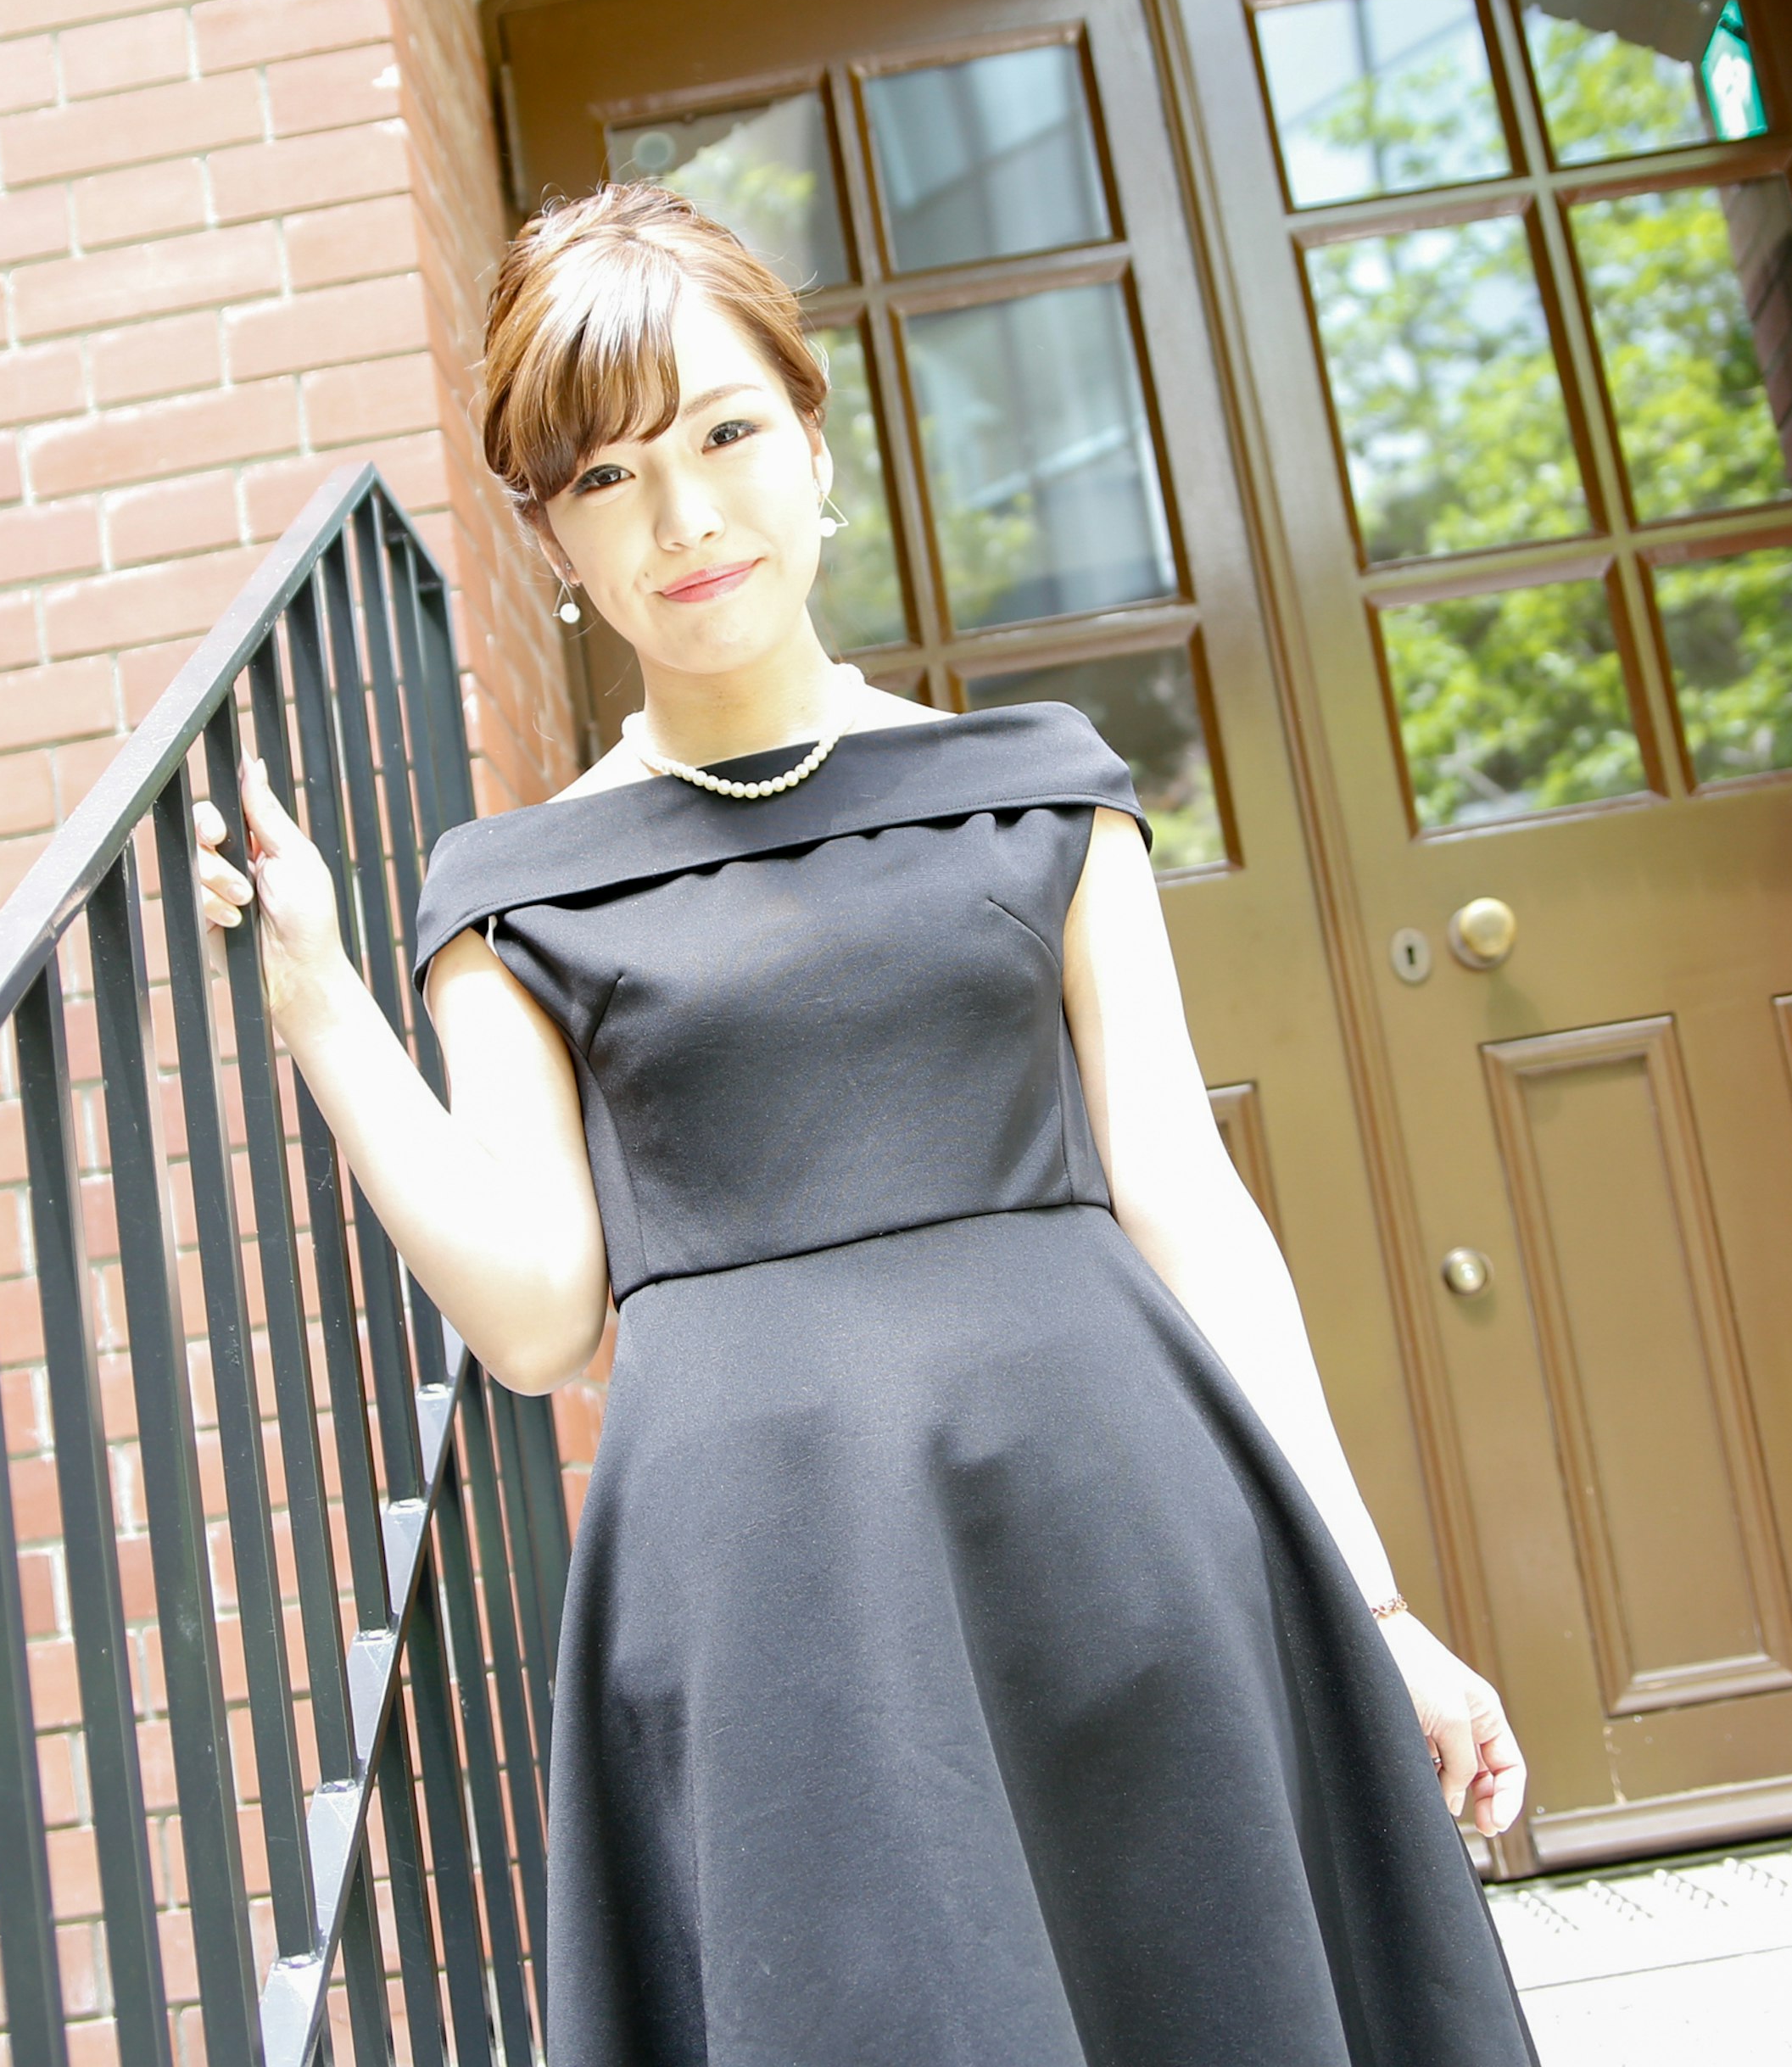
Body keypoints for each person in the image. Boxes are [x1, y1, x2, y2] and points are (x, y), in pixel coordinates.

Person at [192, 182, 1538, 2065]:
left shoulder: (1040, 790)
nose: (685, 518)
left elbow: (1187, 1199)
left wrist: (1373, 1595)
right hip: (774, 1599)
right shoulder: (519, 892)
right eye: (604, 479)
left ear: (814, 445)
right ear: (556, 540)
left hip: (1113, 1521)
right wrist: (327, 1011)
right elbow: (535, 1317)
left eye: (728, 435)